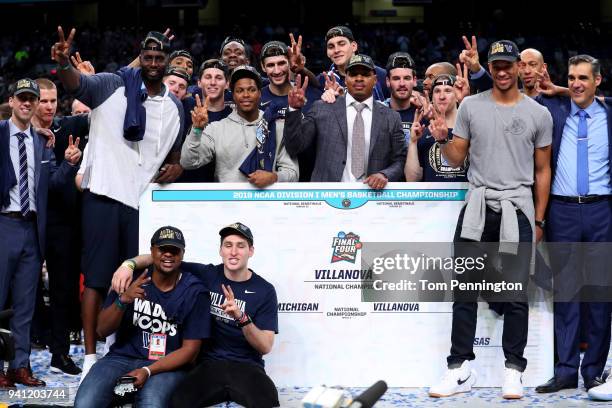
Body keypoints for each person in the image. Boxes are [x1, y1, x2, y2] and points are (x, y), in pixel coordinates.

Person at [52, 27, 185, 381]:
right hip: (103, 195)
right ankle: (92, 355)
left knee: (137, 277)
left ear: (167, 62)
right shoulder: (111, 85)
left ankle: (122, 345)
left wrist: (175, 168)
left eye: (160, 58)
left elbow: (173, 156)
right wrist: (64, 63)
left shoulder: (175, 107)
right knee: (96, 280)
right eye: (148, 57)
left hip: (141, 202)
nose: (154, 63)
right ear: (140, 57)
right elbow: (76, 85)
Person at [427, 40, 552, 399]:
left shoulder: (537, 114)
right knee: (464, 291)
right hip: (478, 206)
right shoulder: (470, 106)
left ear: (517, 67)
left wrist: (539, 220)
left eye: (507, 64)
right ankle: (459, 368)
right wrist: (443, 138)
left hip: (517, 208)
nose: (501, 70)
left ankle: (513, 370)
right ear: (491, 66)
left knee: (515, 294)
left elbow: (542, 171)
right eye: (495, 64)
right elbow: (455, 159)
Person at [111, 223, 280, 408]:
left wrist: (241, 318)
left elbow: (265, 346)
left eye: (241, 246)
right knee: (178, 402)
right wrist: (128, 264)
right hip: (208, 365)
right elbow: (159, 258)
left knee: (268, 402)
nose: (234, 252)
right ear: (221, 250)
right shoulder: (207, 274)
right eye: (228, 245)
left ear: (251, 251)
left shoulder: (264, 290)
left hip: (247, 366)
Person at [533, 55, 612, 396]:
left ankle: (593, 371)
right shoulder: (556, 111)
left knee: (598, 295)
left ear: (598, 80)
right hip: (562, 211)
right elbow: (518, 101)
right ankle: (565, 371)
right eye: (571, 78)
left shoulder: (610, 115)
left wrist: (565, 89)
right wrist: (562, 92)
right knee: (566, 294)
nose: (577, 83)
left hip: (601, 210)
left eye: (583, 78)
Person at [0, 78, 81, 387]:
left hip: (33, 230)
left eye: (32, 98)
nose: (28, 103)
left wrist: (70, 165)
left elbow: (53, 186)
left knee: (25, 306)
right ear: (11, 101)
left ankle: (20, 366)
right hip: (4, 224)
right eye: (22, 97)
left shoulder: (40, 141)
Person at [74, 226, 210, 408]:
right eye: (162, 249)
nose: (168, 254)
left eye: (174, 250)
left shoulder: (195, 291)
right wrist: (123, 300)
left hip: (167, 363)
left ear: (182, 254)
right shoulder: (130, 278)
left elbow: (190, 351)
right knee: (85, 403)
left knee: (152, 404)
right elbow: (101, 331)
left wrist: (147, 370)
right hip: (121, 357)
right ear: (152, 251)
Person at [31, 78, 89, 376]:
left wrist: (87, 81)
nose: (49, 106)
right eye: (44, 100)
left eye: (54, 100)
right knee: (24, 289)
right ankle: (32, 341)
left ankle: (59, 353)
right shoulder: (22, 134)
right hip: (28, 223)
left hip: (63, 224)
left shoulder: (71, 127)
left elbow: (100, 114)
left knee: (64, 290)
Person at [285, 54, 406, 188]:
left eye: (365, 74)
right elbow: (294, 147)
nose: (359, 78)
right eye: (353, 74)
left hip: (373, 199)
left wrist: (385, 174)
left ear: (375, 80)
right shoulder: (322, 108)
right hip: (328, 198)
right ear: (346, 79)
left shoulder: (391, 117)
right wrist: (294, 109)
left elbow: (400, 160)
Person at [181, 65, 299, 186]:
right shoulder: (217, 129)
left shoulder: (276, 126)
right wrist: (196, 130)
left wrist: (274, 177)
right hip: (228, 202)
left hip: (267, 201)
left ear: (259, 93)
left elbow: (292, 172)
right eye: (240, 90)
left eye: (252, 90)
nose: (246, 95)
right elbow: (188, 162)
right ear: (233, 96)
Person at [260, 39, 322, 182]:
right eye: (270, 65)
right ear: (263, 67)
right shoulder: (256, 98)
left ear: (289, 63)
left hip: (311, 180)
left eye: (281, 63)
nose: (277, 70)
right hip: (270, 181)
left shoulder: (312, 94)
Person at [405, 71, 469, 182]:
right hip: (432, 198)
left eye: (448, 91)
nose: (442, 96)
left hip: (467, 197)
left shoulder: (470, 129)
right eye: (437, 91)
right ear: (432, 97)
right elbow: (412, 179)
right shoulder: (423, 130)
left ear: (457, 94)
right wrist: (413, 142)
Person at [178, 59, 233, 183]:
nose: (213, 82)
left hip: (223, 190)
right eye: (208, 77)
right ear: (199, 82)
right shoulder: (185, 108)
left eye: (218, 78)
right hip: (187, 187)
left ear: (227, 84)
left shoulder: (234, 115)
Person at [317, 26, 388, 101]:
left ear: (354, 46)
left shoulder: (380, 75)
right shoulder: (321, 80)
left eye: (341, 44)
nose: (336, 50)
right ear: (327, 53)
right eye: (331, 47)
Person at [382, 52, 419, 144]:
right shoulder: (377, 113)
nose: (402, 84)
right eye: (396, 78)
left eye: (407, 78)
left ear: (414, 81)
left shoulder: (424, 115)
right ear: (388, 81)